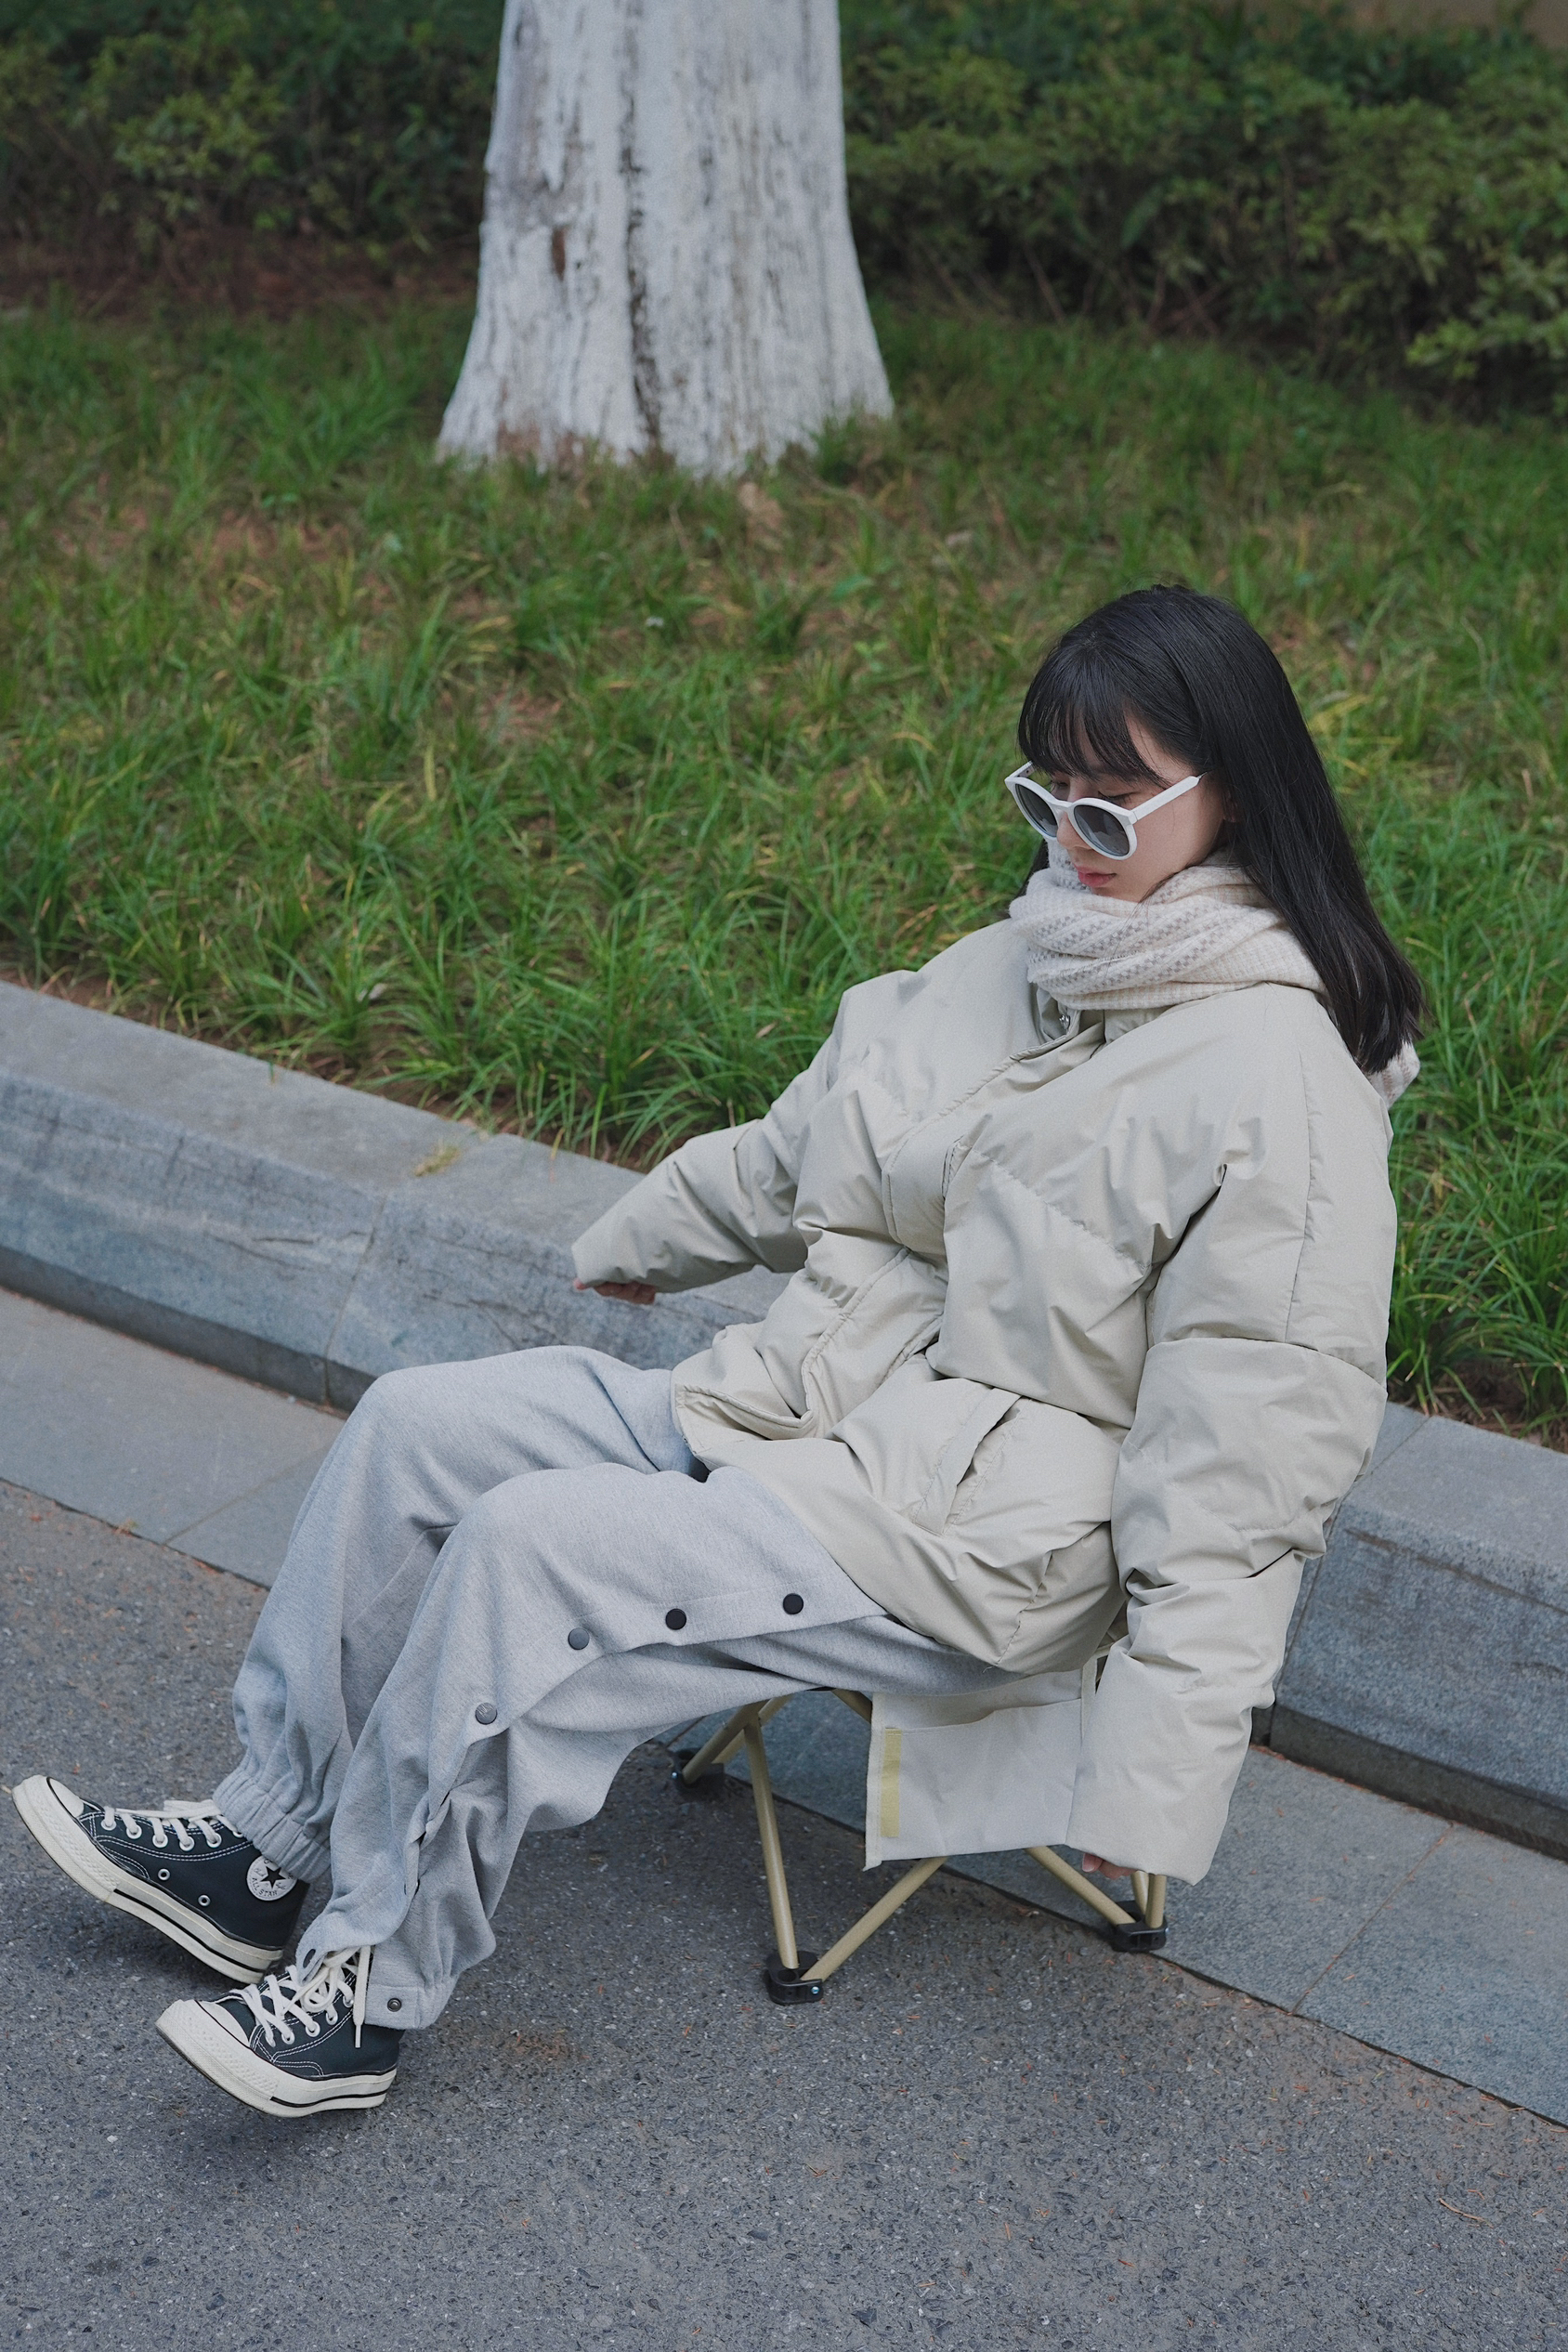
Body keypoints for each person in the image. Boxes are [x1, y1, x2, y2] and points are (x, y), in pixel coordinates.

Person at [13, 585, 1422, 2120]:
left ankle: (366, 1988)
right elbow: (809, 1148)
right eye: (1046, 796)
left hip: (986, 1539)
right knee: (420, 1427)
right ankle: (268, 1846)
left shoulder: (1282, 1087)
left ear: (1237, 793)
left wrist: (1150, 1781)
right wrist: (642, 1236)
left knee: (536, 1548)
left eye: (1111, 804)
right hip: (810, 1411)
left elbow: (1246, 1464)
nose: (1070, 838)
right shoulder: (1024, 957)